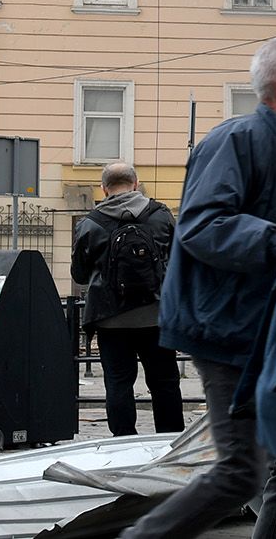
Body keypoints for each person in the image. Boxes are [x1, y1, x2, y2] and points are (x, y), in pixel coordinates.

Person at [121, 34, 276, 539]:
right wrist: (273, 239)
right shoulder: (235, 141)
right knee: (241, 472)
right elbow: (199, 225)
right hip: (225, 330)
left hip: (271, 331)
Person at [72, 161, 185, 436]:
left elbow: (80, 274)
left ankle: (123, 443)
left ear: (103, 188)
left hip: (111, 321)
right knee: (165, 383)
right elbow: (180, 261)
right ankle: (169, 442)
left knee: (118, 383)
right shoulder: (160, 215)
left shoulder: (90, 223)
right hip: (155, 316)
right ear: (136, 184)